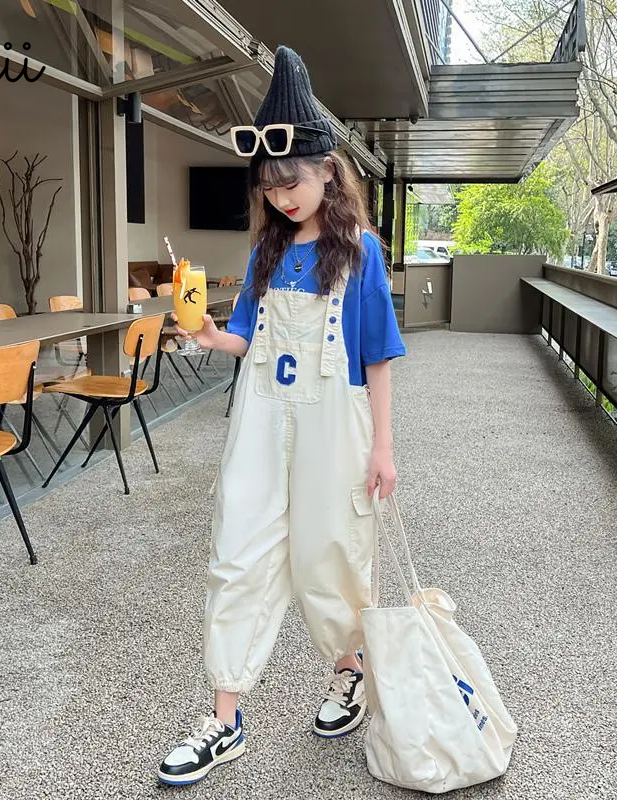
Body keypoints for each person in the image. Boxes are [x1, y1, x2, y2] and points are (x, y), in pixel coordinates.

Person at [158, 45, 406, 786]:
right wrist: (210, 337)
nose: (282, 198)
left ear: (328, 170)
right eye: (269, 187)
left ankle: (350, 674)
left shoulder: (359, 252)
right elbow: (246, 338)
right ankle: (225, 720)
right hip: (261, 421)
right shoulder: (265, 254)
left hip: (337, 421)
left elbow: (377, 356)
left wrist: (384, 447)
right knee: (239, 553)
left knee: (331, 555)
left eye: (291, 182)